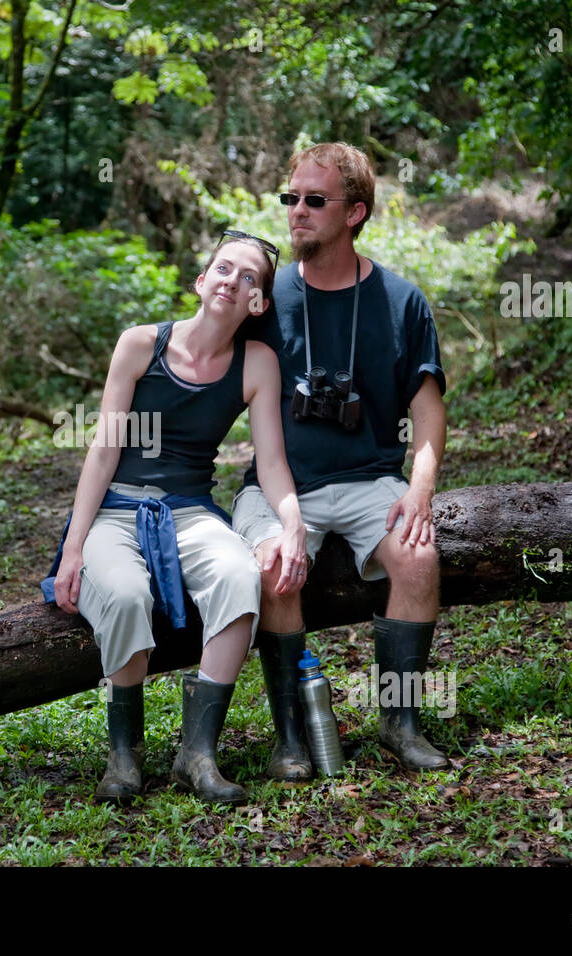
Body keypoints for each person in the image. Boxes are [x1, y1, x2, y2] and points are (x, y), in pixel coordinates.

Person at [43, 233, 307, 805]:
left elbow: (273, 462)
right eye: (223, 268)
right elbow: (104, 449)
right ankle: (125, 756)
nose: (231, 282)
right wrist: (74, 546)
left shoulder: (256, 363)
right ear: (200, 280)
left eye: (248, 279)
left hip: (189, 510)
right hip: (116, 509)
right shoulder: (140, 345)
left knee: (240, 577)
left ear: (257, 303)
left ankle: (197, 753)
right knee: (125, 593)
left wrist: (291, 525)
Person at [233, 142, 450, 777]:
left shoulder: (400, 301)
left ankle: (400, 721)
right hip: (280, 483)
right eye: (290, 198)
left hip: (368, 478)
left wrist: (419, 489)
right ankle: (292, 737)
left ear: (354, 212)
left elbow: (429, 409)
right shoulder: (264, 297)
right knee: (275, 564)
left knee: (418, 557)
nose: (296, 211)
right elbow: (201, 364)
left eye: (314, 200)